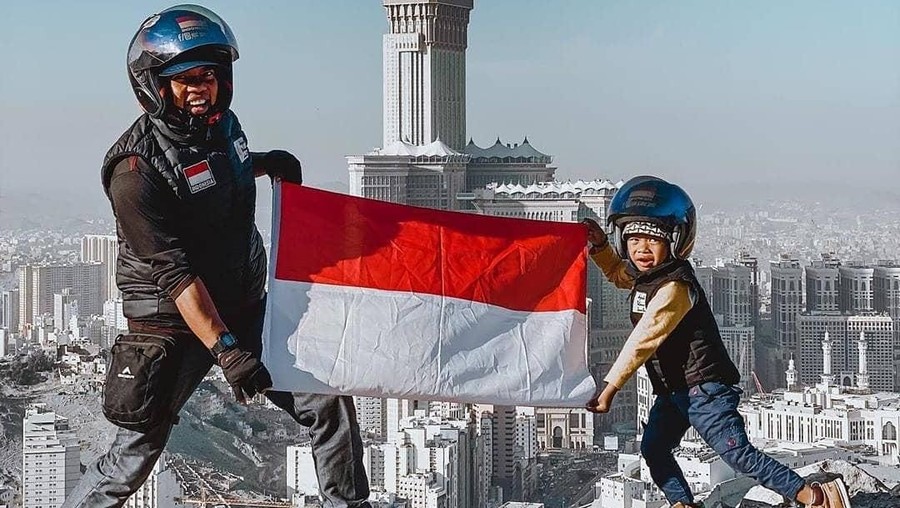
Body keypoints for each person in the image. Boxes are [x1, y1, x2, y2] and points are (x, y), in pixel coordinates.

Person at [63, 5, 370, 507]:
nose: (199, 88)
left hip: (244, 305)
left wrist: (263, 162)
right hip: (171, 326)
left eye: (208, 76)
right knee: (134, 455)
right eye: (184, 79)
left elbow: (209, 175)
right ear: (154, 87)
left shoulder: (223, 128)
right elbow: (174, 273)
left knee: (326, 401)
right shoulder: (134, 171)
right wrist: (226, 349)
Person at [582, 176, 849, 508]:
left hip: (705, 389)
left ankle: (817, 497)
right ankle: (682, 503)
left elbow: (642, 340)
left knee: (737, 454)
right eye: (633, 239)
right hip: (673, 391)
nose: (641, 249)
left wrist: (610, 386)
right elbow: (619, 275)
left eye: (652, 240)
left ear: (674, 242)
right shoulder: (647, 277)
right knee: (653, 450)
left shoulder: (675, 287)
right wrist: (599, 248)